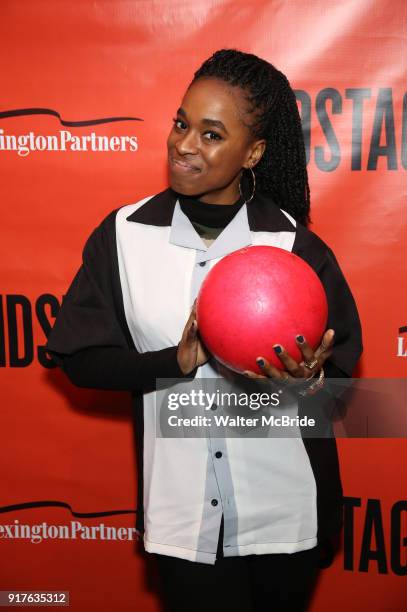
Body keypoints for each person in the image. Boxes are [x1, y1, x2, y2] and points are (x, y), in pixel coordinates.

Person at [46, 49, 362, 611]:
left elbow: (338, 388)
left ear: (254, 152)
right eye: (181, 124)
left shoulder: (293, 248)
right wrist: (175, 359)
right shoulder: (124, 236)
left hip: (283, 512)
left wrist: (308, 383)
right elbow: (78, 357)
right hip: (181, 517)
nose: (185, 144)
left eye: (212, 134)